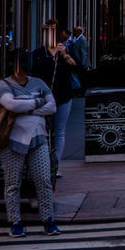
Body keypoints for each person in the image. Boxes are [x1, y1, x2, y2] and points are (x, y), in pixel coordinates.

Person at [0, 50, 60, 237]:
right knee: (12, 183)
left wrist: (25, 107)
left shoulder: (37, 82)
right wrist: (38, 102)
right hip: (12, 140)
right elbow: (11, 105)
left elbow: (52, 106)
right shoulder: (3, 85)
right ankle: (15, 220)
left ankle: (48, 219)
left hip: (37, 138)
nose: (19, 69)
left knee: (43, 180)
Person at [31, 20, 77, 173]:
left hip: (63, 94)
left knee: (59, 131)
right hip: (44, 97)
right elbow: (33, 76)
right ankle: (44, 164)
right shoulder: (38, 53)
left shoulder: (64, 51)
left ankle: (55, 165)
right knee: (43, 130)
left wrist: (64, 55)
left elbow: (76, 67)